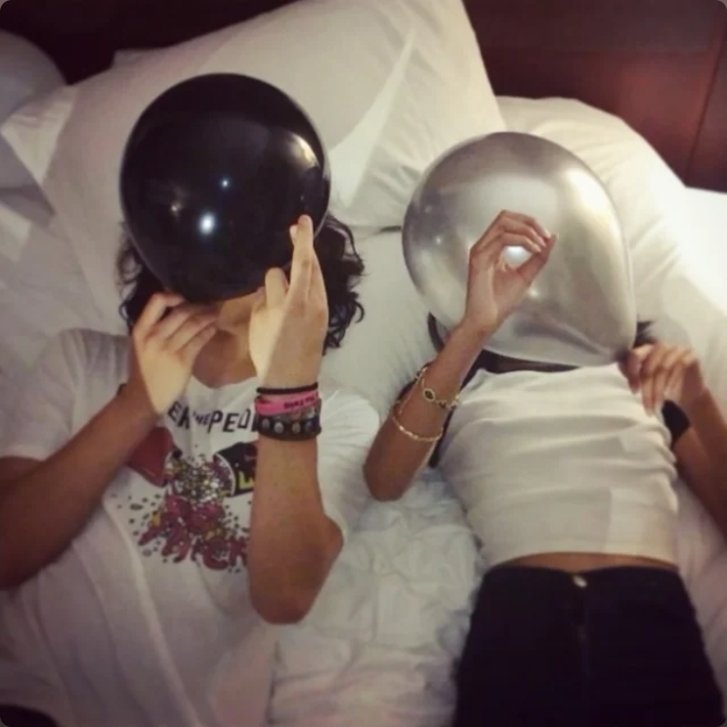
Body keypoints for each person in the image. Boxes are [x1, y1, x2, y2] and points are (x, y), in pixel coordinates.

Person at [0, 213, 379, 727]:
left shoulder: (339, 415)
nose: (215, 257)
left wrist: (288, 391)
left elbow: (285, 596)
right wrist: (135, 406)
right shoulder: (82, 359)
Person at [365, 210, 727, 727]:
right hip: (523, 618)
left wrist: (699, 399)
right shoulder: (459, 382)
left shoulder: (640, 373)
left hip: (650, 617)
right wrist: (472, 332)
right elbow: (383, 481)